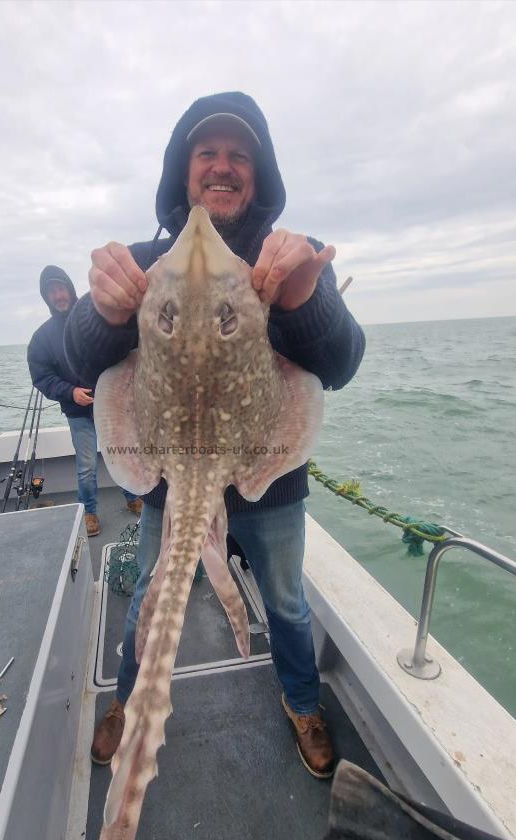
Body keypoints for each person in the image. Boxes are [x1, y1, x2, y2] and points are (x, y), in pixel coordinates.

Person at [64, 92, 366, 777]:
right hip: (173, 480)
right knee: (147, 592)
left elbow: (342, 363)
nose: (222, 167)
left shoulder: (289, 256)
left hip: (271, 477)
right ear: (183, 170)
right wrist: (106, 314)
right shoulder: (146, 259)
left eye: (239, 155)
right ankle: (127, 696)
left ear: (259, 174)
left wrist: (302, 296)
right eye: (207, 153)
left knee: (285, 602)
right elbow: (75, 360)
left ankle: (300, 702)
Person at [27, 266, 142, 536]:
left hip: (113, 408)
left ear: (69, 287)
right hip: (78, 412)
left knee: (123, 454)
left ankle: (132, 496)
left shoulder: (94, 318)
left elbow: (125, 348)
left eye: (60, 287)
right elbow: (42, 377)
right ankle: (89, 511)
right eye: (51, 291)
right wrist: (70, 392)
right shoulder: (41, 338)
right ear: (46, 297)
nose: (58, 295)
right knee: (87, 466)